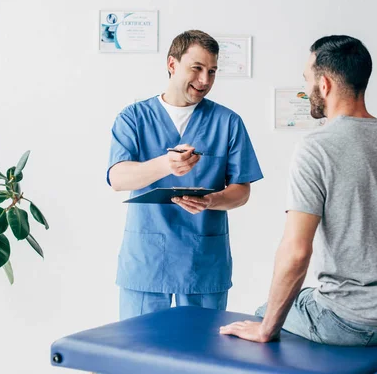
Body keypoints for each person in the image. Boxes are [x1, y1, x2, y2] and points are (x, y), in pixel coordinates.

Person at [220, 35, 377, 346]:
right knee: (305, 298)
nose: (306, 89)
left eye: (306, 80)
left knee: (264, 312)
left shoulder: (317, 148)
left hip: (353, 323)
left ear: (324, 84)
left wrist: (266, 328)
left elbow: (296, 253)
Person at [107, 30, 263, 320]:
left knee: (201, 356)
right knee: (140, 354)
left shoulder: (227, 122)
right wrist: (167, 165)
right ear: (172, 64)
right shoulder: (133, 118)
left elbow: (242, 190)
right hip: (147, 259)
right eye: (197, 68)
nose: (205, 80)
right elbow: (118, 178)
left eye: (212, 71)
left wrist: (211, 201)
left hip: (202, 258)